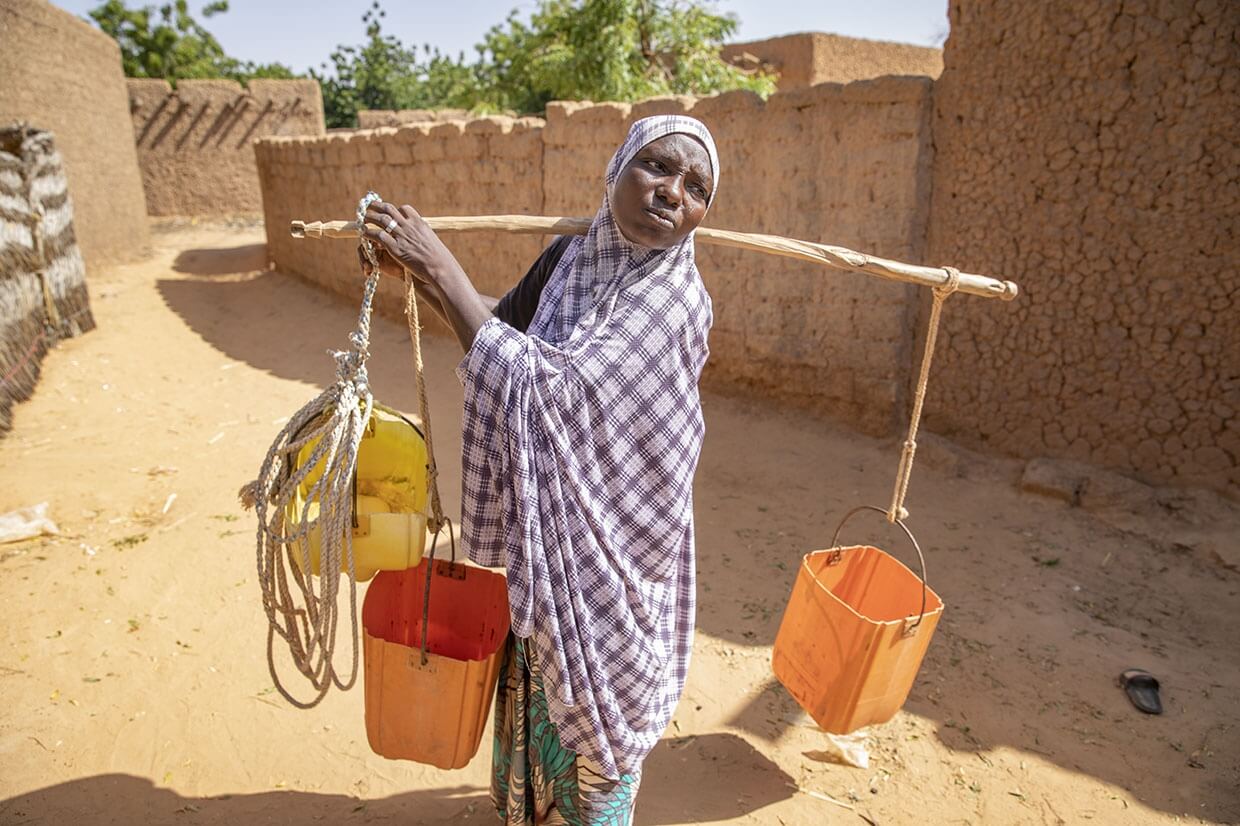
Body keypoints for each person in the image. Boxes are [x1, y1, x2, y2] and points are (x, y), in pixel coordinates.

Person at [359, 115, 719, 825]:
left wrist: (442, 268)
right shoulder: (567, 259)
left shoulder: (674, 302)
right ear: (617, 167)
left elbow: (550, 389)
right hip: (550, 544)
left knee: (602, 724)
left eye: (697, 187)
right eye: (657, 167)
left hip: (618, 559)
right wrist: (418, 273)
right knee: (540, 682)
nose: (673, 193)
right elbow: (501, 328)